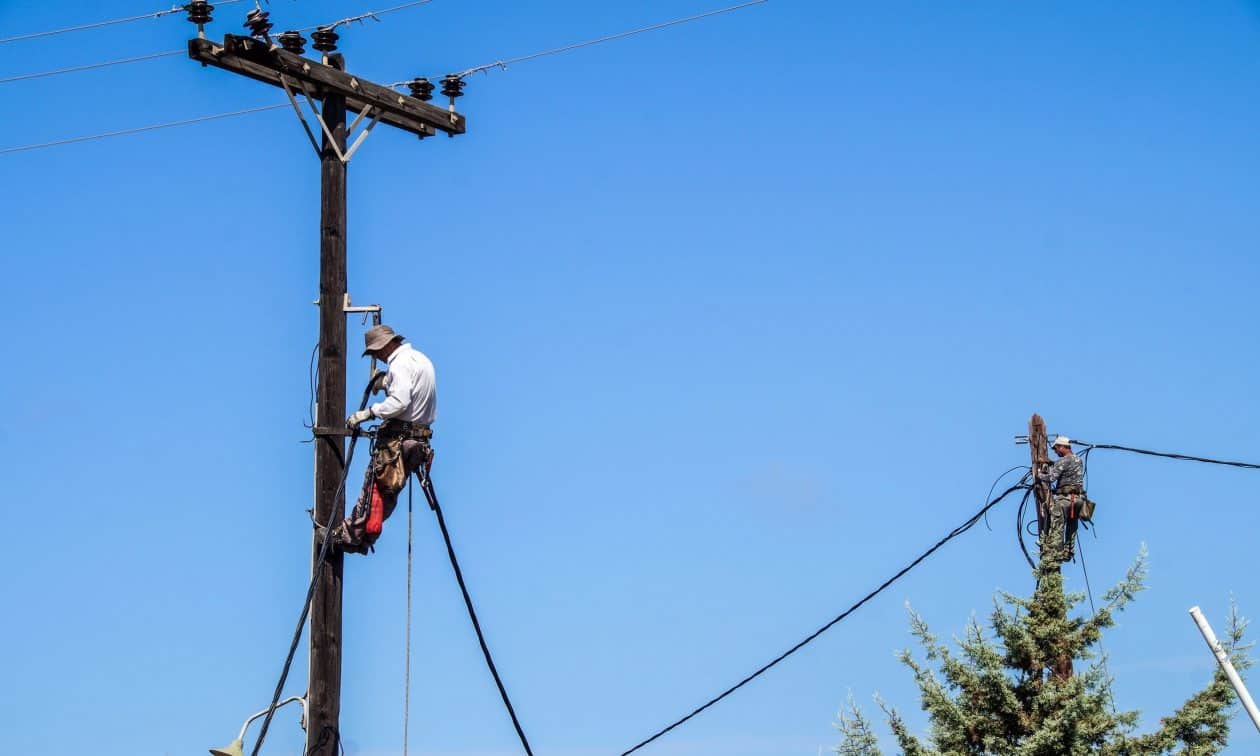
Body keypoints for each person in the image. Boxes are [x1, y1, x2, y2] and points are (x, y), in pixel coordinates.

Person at [331, 324, 437, 555]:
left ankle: (348, 536)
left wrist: (368, 413)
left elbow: (400, 402)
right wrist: (385, 382)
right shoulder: (420, 359)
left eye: (377, 352)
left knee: (373, 489)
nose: (377, 357)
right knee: (385, 495)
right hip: (418, 441)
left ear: (386, 345)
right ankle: (363, 539)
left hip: (398, 440)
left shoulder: (399, 364)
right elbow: (411, 392)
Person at [1036, 435, 1084, 563]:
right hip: (1078, 500)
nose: (1055, 451)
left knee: (1057, 525)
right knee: (1072, 527)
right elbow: (1067, 469)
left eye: (1056, 448)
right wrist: (1053, 463)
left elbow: (1051, 478)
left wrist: (1038, 474)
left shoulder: (1063, 461)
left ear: (1062, 446)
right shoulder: (1078, 459)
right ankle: (1068, 552)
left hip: (1064, 500)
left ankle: (1055, 554)